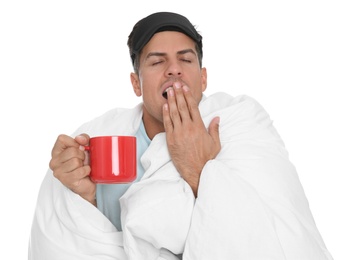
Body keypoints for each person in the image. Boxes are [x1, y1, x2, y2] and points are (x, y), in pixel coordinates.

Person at [29, 12, 333, 260]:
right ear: (136, 83)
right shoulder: (100, 139)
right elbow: (73, 240)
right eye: (157, 61)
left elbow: (279, 236)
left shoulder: (241, 124)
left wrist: (200, 170)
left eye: (186, 60)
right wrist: (82, 197)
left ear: (203, 78)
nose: (174, 70)